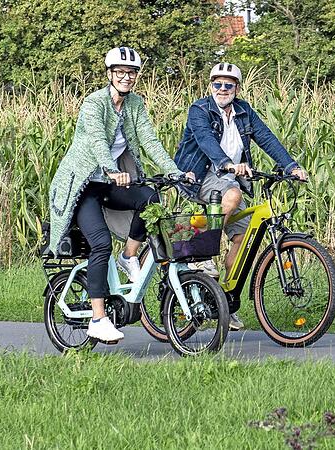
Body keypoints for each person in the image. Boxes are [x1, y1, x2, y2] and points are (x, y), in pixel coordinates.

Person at [48, 47, 192, 343]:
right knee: (100, 244)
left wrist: (175, 171)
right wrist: (113, 170)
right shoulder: (94, 103)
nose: (127, 77)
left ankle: (129, 256)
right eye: (121, 72)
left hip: (107, 185)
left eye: (132, 73)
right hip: (82, 186)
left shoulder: (134, 103)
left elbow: (149, 140)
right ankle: (98, 319)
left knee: (150, 199)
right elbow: (99, 141)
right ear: (110, 74)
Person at [174, 62, 307, 331]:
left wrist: (291, 166)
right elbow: (205, 140)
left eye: (228, 85)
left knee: (242, 239)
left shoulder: (244, 112)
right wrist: (226, 163)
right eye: (217, 84)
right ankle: (200, 255)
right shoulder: (200, 109)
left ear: (237, 87)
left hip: (229, 178)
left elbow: (267, 139)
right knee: (233, 194)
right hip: (200, 175)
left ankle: (223, 300)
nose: (222, 89)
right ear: (211, 86)